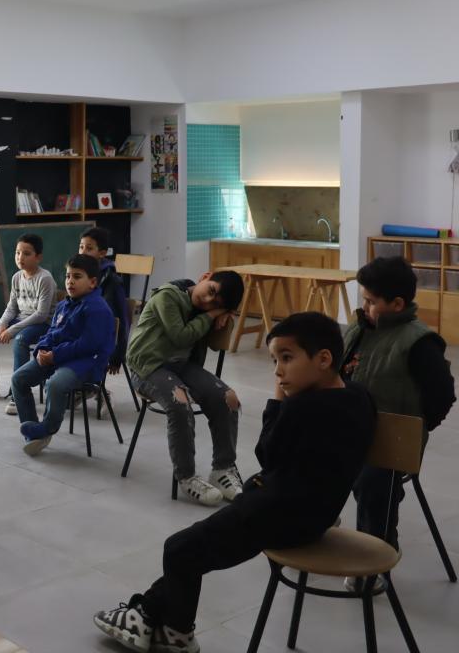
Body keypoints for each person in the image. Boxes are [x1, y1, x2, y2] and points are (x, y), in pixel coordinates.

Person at [94, 312, 376, 653]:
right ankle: (147, 612)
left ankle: (177, 634)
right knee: (192, 548)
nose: (278, 370)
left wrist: (279, 399)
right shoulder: (360, 397)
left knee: (179, 549)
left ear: (324, 359)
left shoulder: (304, 408)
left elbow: (267, 453)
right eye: (275, 360)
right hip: (313, 512)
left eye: (287, 358)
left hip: (278, 514)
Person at [341, 256, 455, 587]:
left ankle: (376, 554)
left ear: (397, 304)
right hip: (349, 429)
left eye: (371, 301)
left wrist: (412, 431)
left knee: (373, 483)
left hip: (392, 442)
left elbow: (442, 396)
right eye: (363, 299)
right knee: (308, 461)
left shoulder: (419, 342)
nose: (364, 307)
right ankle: (316, 525)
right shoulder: (360, 329)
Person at [125, 270, 245, 505]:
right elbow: (180, 337)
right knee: (179, 403)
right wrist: (212, 314)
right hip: (147, 366)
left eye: (217, 303)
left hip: (181, 367)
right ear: (205, 276)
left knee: (228, 397)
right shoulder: (167, 296)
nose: (209, 301)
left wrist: (222, 314)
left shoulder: (203, 310)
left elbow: (211, 343)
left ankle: (223, 468)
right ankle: (187, 476)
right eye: (211, 291)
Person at [10, 254, 115, 456]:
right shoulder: (64, 304)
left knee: (55, 384)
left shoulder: (98, 308)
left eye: (77, 276)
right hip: (58, 357)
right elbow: (52, 333)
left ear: (93, 282)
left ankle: (48, 427)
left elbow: (88, 345)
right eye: (68, 276)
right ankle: (33, 433)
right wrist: (41, 350)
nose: (70, 281)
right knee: (18, 379)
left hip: (85, 364)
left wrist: (54, 356)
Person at [0, 233, 56, 416]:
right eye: (17, 253)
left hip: (43, 324)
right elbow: (12, 307)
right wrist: (2, 324)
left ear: (38, 257)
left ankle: (17, 393)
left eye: (26, 253)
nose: (20, 258)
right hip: (20, 320)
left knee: (20, 339)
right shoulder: (17, 277)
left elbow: (41, 315)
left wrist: (12, 329)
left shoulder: (45, 279)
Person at [78, 226, 130, 376]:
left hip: (101, 335)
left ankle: (89, 387)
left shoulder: (113, 281)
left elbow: (123, 321)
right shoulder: (78, 275)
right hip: (82, 330)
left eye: (89, 248)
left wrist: (117, 356)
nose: (82, 252)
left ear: (102, 253)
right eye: (81, 247)